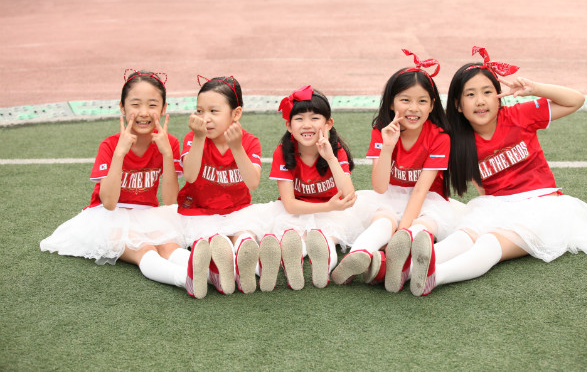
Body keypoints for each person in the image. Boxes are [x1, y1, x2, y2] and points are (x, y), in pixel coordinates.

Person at [413, 46, 587, 296]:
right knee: (465, 235)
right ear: (458, 105)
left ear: (499, 96)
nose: (480, 101)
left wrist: (535, 88)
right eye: (471, 94)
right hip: (497, 205)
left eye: (487, 92)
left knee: (490, 242)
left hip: (543, 205)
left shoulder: (519, 115)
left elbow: (576, 100)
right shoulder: (457, 140)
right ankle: (402, 269)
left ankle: (434, 277)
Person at [40, 69, 196, 294]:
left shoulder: (168, 142)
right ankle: (185, 279)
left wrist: (167, 154)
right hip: (108, 217)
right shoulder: (110, 145)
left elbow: (170, 200)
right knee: (144, 249)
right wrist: (120, 153)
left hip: (146, 214)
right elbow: (109, 203)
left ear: (163, 109)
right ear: (122, 107)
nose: (144, 112)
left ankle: (212, 272)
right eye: (135, 104)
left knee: (168, 245)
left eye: (152, 105)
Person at [330, 49, 462, 295]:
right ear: (391, 103)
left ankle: (398, 255)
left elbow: (421, 190)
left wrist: (402, 233)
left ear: (432, 105)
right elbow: (379, 187)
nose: (414, 108)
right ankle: (359, 255)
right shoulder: (382, 131)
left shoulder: (439, 137)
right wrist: (388, 147)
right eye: (405, 100)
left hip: (427, 200)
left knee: (424, 224)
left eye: (422, 101)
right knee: (383, 219)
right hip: (389, 194)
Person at [177, 75, 279, 298]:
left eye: (214, 111)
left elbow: (253, 183)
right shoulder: (194, 138)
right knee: (217, 243)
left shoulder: (249, 141)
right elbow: (190, 176)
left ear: (236, 113)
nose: (205, 118)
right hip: (200, 212)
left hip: (236, 210)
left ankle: (251, 262)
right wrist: (199, 138)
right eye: (200, 111)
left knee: (244, 236)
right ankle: (231, 269)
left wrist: (236, 147)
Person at [269, 86, 361, 290]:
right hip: (300, 210)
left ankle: (323, 268)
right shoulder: (283, 151)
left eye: (315, 118)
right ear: (289, 125)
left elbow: (349, 195)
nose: (307, 125)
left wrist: (330, 158)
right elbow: (290, 205)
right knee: (294, 239)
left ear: (328, 124)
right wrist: (328, 206)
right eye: (299, 119)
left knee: (326, 239)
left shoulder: (335, 149)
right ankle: (291, 265)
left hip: (333, 212)